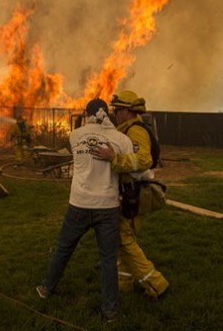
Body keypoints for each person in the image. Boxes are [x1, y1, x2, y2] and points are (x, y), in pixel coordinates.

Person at [36, 98, 134, 322]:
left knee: (63, 248)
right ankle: (110, 312)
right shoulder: (122, 139)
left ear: (86, 114)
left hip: (78, 203)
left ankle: (46, 288)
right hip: (108, 206)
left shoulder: (75, 136)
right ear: (108, 114)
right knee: (108, 259)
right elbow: (131, 166)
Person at [90, 90, 169, 299]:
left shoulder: (135, 131)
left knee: (124, 241)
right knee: (121, 241)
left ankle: (156, 284)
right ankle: (123, 283)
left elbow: (142, 159)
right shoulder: (126, 130)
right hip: (128, 194)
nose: (115, 113)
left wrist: (114, 159)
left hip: (132, 194)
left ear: (127, 110)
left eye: (117, 110)